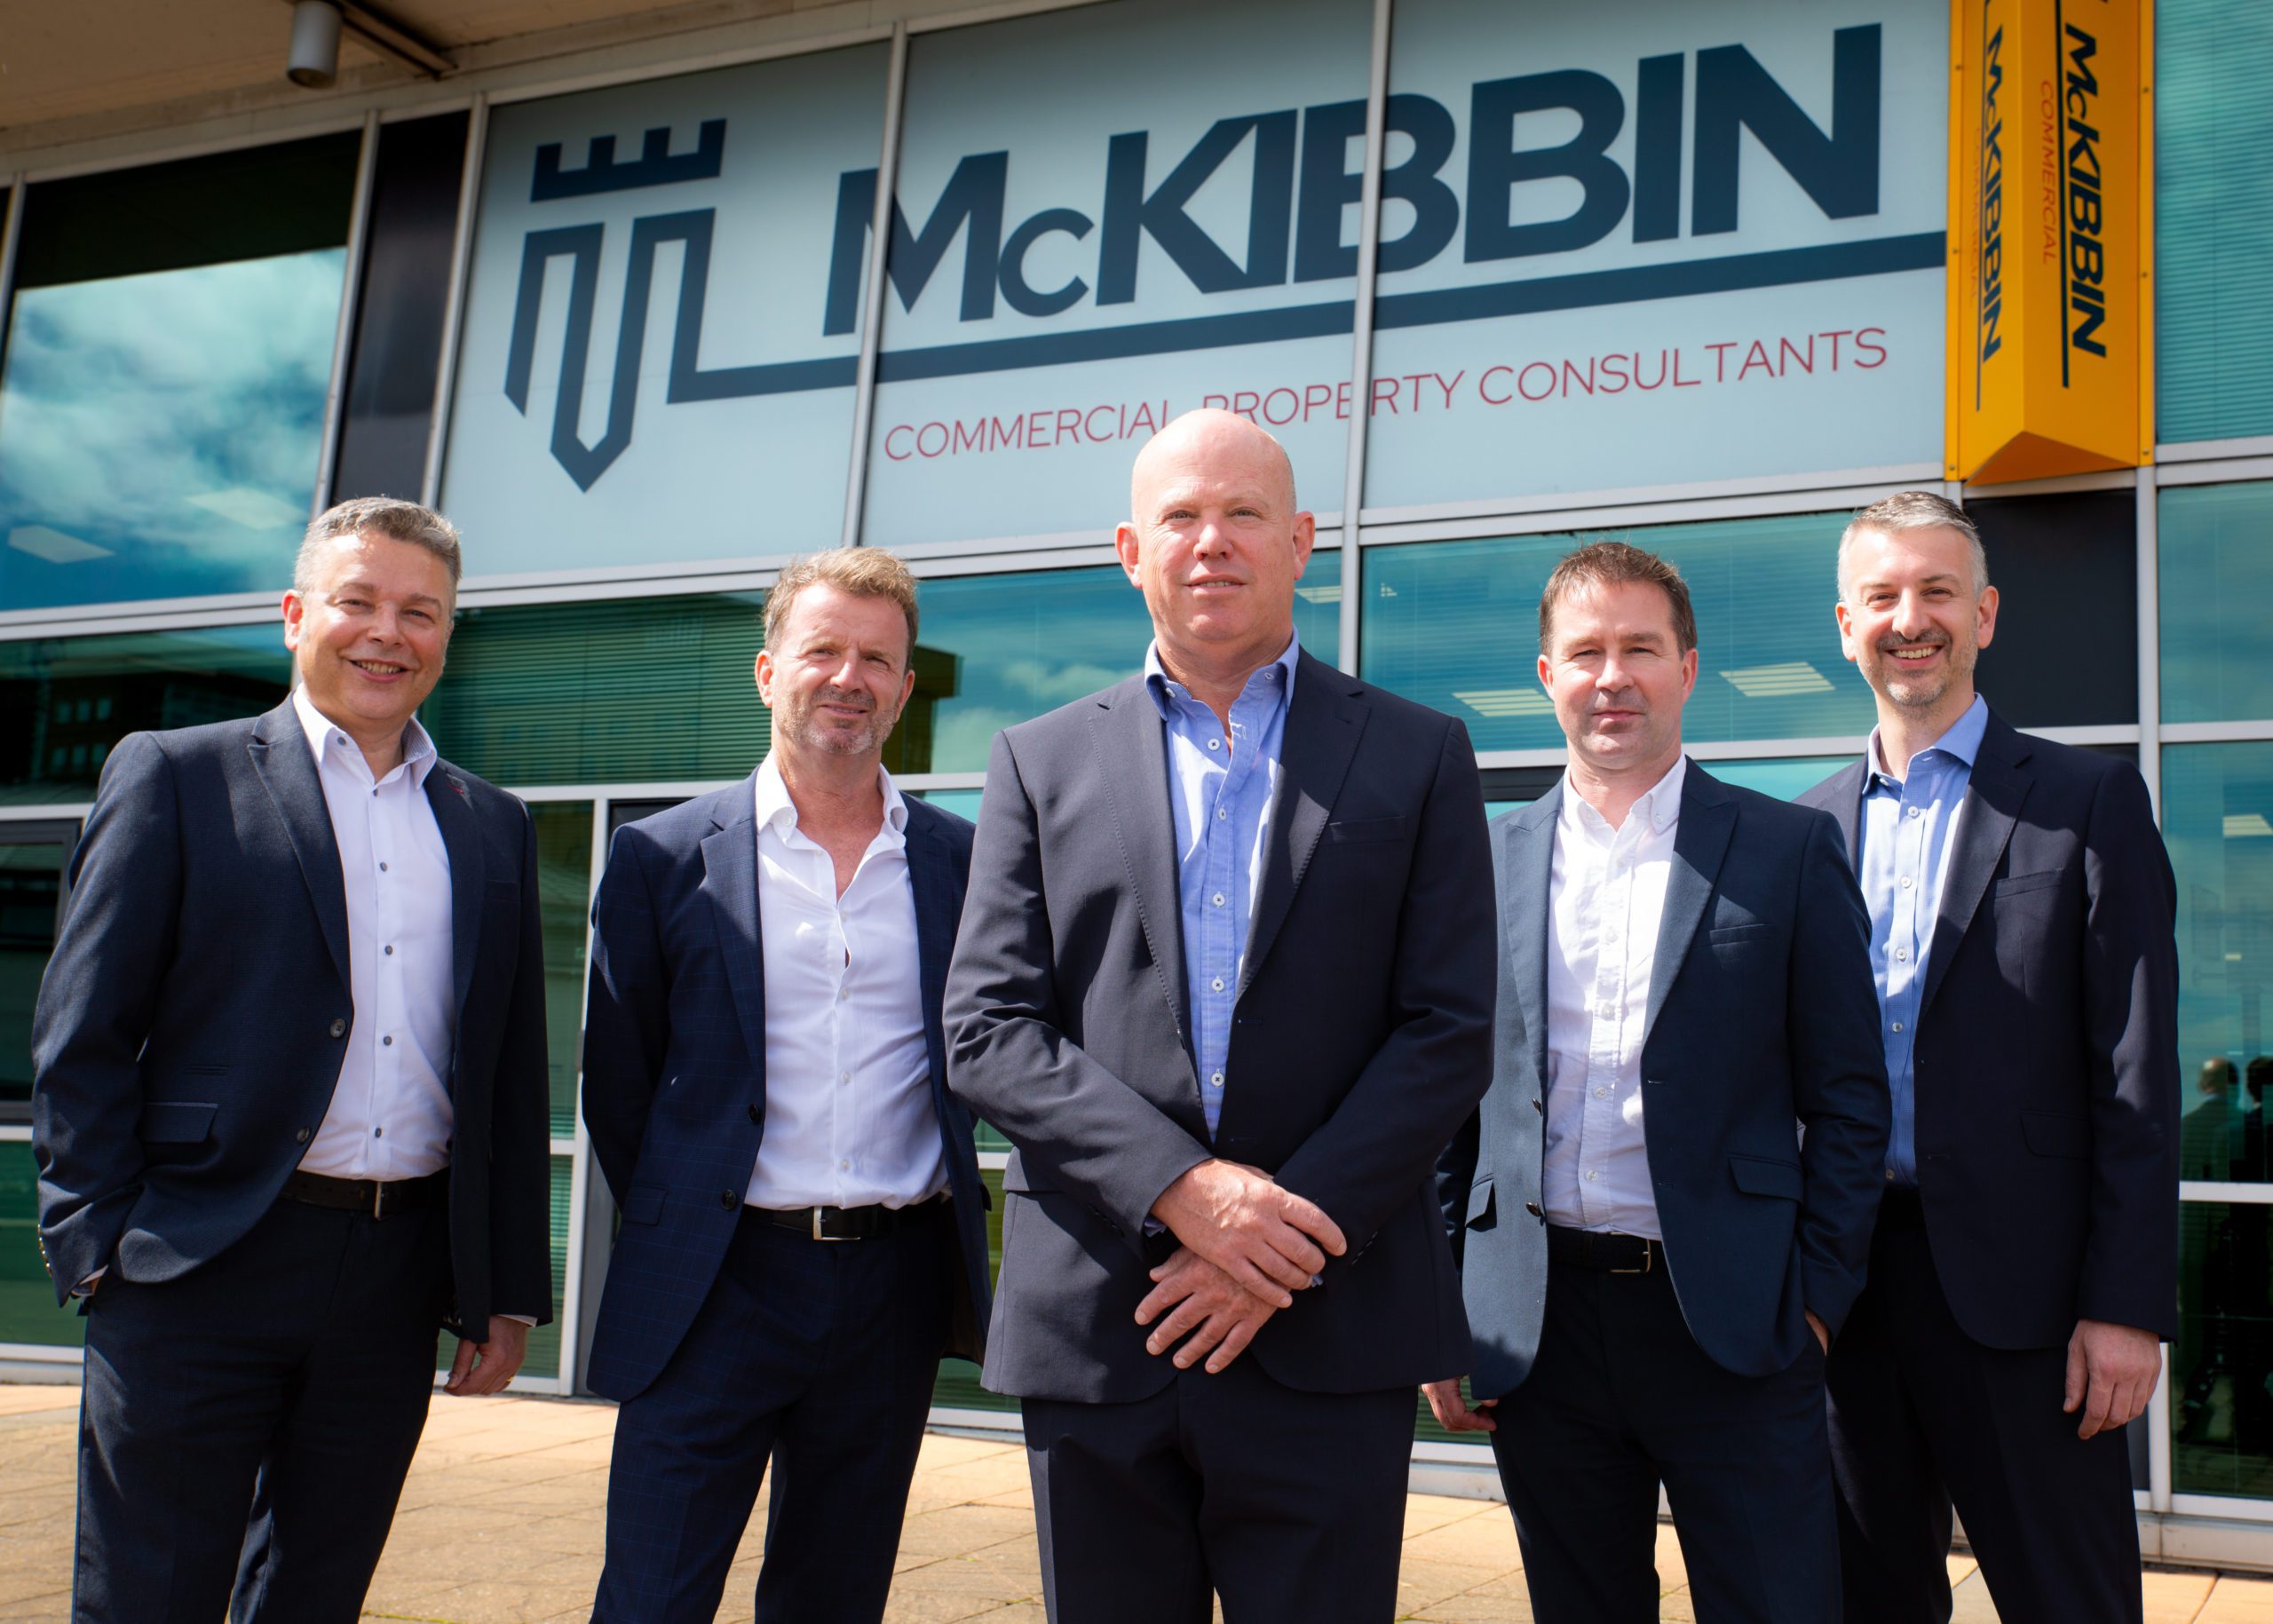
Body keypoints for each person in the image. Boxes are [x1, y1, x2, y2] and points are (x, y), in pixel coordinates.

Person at [944, 408, 1496, 1623]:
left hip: (1331, 1320)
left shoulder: (1417, 752)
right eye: (1181, 516)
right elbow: (988, 1027)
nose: (1212, 541)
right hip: (1103, 1320)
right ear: (1130, 550)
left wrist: (1277, 1238)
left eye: (1244, 513)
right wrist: (1187, 1193)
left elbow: (1448, 1027)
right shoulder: (1037, 759)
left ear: (1300, 541)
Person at [32, 496, 553, 1623]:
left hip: (394, 1273)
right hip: (197, 1260)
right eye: (357, 600)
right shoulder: (176, 774)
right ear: (294, 613)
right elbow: (83, 1030)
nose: (387, 632)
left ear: (447, 635)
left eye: (420, 611)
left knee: (315, 1592)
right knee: (148, 1594)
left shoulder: (490, 821)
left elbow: (508, 1070)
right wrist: (94, 1243)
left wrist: (503, 1285)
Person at [1429, 541, 1890, 1622]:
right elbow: (1448, 1102)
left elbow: (1850, 1098)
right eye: (1585, 651)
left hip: (1734, 1322)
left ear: (1686, 668)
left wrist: (1815, 1306)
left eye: (1640, 648)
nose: (1612, 676)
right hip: (1538, 1328)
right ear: (1545, 674)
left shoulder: (1786, 848)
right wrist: (1445, 1305)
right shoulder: (1480, 861)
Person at [581, 547, 991, 1623]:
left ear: (905, 687)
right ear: (768, 671)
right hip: (716, 1281)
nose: (848, 677)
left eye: (877, 659)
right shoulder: (662, 855)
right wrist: (692, 1208)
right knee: (652, 1594)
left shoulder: (964, 861)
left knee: (835, 1595)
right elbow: (619, 1082)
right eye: (822, 651)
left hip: (894, 1284)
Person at [1796, 490, 2179, 1623]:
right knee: (1865, 1602)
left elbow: (2136, 1071)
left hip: (2032, 1305)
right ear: (1846, 625)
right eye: (1881, 596)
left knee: (2070, 1601)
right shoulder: (1804, 830)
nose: (1909, 618)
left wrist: (2126, 1305)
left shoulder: (2086, 799)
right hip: (1846, 1295)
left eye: (1937, 590)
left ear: (1986, 613)